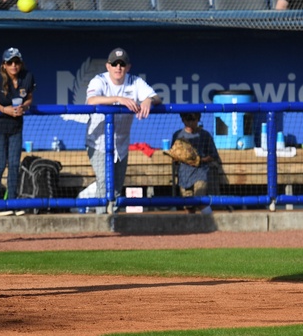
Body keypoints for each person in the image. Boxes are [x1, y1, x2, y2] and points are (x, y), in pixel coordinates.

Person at [85, 47, 159, 204]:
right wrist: (118, 98)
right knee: (105, 181)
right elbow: (92, 100)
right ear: (108, 66)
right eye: (115, 64)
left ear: (128, 67)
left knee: (117, 188)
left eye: (122, 64)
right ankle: (102, 220)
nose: (118, 67)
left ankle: (113, 221)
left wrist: (148, 100)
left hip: (121, 144)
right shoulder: (100, 80)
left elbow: (156, 97)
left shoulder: (134, 81)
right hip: (98, 143)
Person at [0, 46, 33, 212]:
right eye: (10, 62)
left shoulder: (27, 76)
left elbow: (29, 99)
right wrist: (5, 110)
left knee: (14, 164)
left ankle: (12, 202)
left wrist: (24, 108)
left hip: (15, 126)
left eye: (17, 62)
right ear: (4, 64)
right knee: (0, 163)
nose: (14, 65)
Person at [171, 112, 221, 214]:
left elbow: (213, 155)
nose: (190, 123)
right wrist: (181, 158)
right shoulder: (177, 135)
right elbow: (174, 156)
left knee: (200, 200)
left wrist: (199, 160)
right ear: (183, 120)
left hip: (200, 172)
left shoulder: (205, 135)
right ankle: (191, 228)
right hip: (184, 175)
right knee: (188, 205)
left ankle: (210, 221)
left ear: (198, 120)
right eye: (187, 120)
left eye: (193, 120)